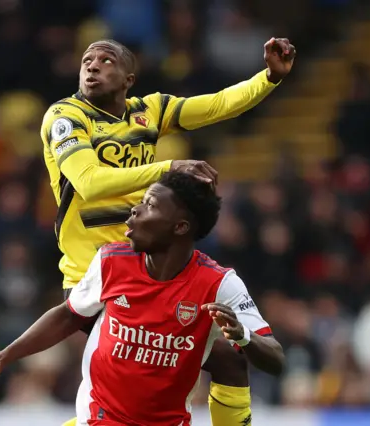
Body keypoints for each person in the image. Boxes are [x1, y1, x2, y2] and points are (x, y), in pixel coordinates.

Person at [40, 37, 295, 425]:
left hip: (147, 272)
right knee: (156, 376)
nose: (92, 66)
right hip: (93, 277)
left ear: (129, 78)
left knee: (227, 360)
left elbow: (219, 103)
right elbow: (89, 182)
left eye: (106, 61)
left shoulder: (151, 110)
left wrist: (269, 78)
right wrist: (168, 168)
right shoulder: (66, 118)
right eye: (87, 60)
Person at [0, 171, 284, 425]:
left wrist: (242, 335)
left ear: (180, 227)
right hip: (98, 418)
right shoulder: (113, 260)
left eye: (151, 205)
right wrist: (2, 358)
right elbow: (70, 314)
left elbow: (274, 358)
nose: (135, 211)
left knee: (229, 357)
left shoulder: (219, 284)